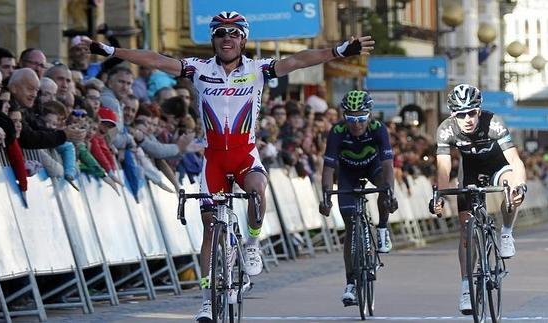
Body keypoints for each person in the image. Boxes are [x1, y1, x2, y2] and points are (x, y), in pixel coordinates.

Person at [83, 10, 375, 321]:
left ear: (243, 39)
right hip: (214, 159)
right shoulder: (198, 69)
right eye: (221, 33)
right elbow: (155, 60)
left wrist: (339, 51)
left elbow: (299, 60)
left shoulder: (258, 69)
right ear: (213, 38)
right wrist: (113, 51)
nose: (227, 38)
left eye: (234, 33)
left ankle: (251, 242)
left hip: (244, 154)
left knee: (258, 189)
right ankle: (207, 301)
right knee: (210, 228)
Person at [428, 84, 527, 315]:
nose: (467, 119)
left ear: (479, 111)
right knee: (465, 230)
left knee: (511, 185)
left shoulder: (493, 123)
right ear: (454, 114)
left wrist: (520, 185)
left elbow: (515, 160)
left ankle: (506, 233)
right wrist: (440, 196)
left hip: (497, 166)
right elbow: (443, 169)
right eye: (461, 114)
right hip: (470, 172)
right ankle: (465, 287)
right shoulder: (446, 130)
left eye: (472, 112)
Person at [318, 90, 397, 306]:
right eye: (351, 118)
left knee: (384, 187)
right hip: (348, 173)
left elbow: (388, 165)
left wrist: (390, 192)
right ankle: (351, 283)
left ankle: (381, 228)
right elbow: (328, 168)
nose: (356, 124)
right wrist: (325, 196)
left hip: (374, 167)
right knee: (351, 227)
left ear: (369, 116)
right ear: (344, 117)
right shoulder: (337, 131)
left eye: (361, 118)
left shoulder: (379, 129)